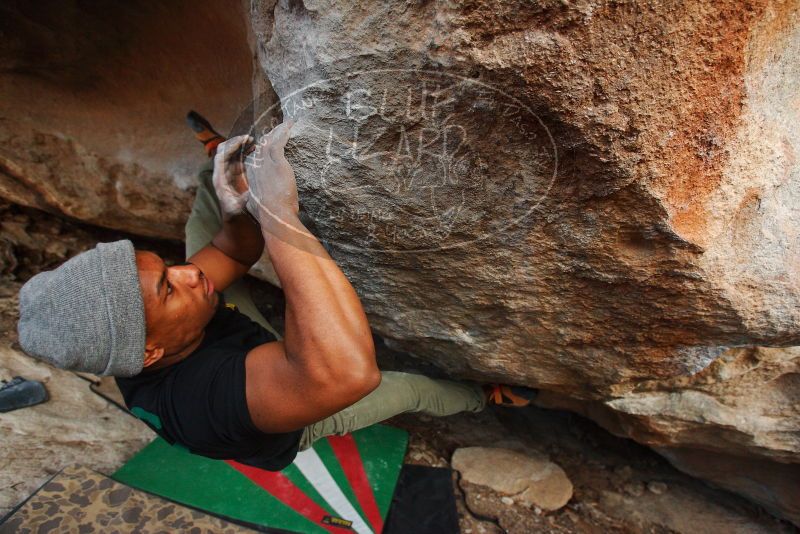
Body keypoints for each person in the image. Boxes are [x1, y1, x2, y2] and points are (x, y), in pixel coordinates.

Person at [16, 112, 535, 471]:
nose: (188, 275)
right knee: (407, 389)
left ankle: (218, 163)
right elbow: (349, 373)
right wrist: (279, 216)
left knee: (210, 224)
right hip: (285, 404)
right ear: (149, 352)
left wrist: (240, 206)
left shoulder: (153, 329)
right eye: (167, 288)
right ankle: (481, 398)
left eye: (168, 269)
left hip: (215, 343)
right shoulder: (204, 402)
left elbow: (233, 254)